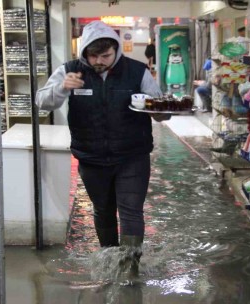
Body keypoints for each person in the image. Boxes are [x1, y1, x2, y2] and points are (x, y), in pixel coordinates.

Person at [36, 21, 166, 281]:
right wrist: (62, 87)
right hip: (91, 157)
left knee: (131, 210)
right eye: (93, 55)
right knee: (103, 210)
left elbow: (160, 107)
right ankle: (109, 260)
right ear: (84, 51)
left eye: (105, 55)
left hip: (132, 156)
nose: (99, 61)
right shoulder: (70, 71)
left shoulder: (137, 71)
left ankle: (129, 269)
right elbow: (42, 102)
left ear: (115, 50)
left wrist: (162, 111)